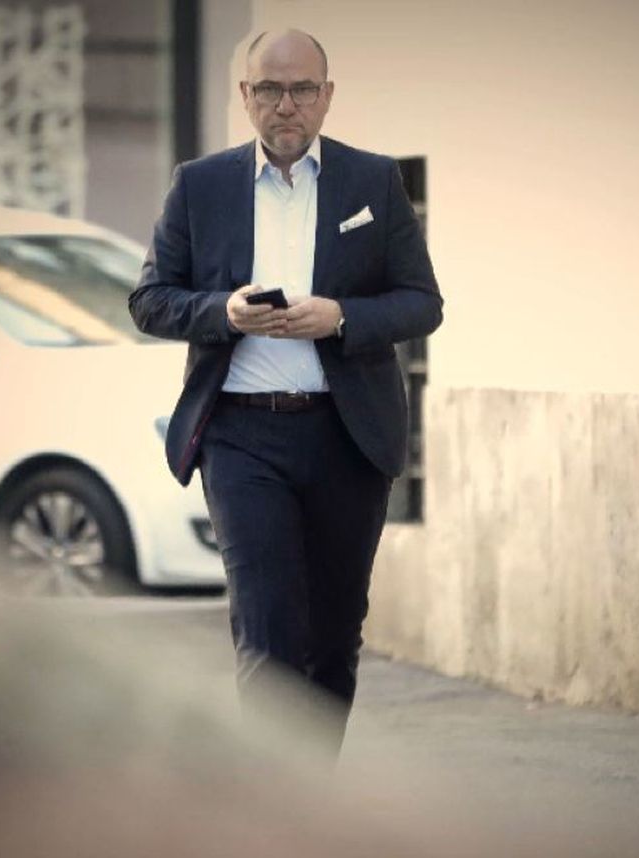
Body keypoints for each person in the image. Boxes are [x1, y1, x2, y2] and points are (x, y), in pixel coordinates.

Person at [129, 28, 443, 754]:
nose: (286, 105)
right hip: (242, 438)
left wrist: (342, 318)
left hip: (346, 436)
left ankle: (310, 798)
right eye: (269, 90)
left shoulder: (373, 182)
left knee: (332, 640)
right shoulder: (200, 185)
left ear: (327, 97)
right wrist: (224, 312)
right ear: (246, 96)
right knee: (268, 640)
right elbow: (149, 300)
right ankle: (272, 800)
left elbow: (422, 303)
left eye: (302, 89)